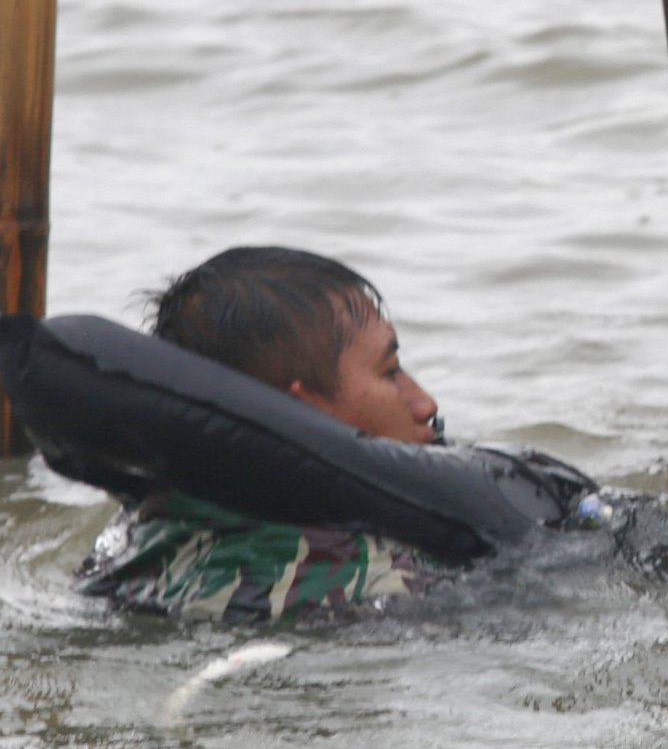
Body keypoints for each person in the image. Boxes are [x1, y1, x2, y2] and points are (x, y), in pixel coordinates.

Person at [77, 246, 462, 621]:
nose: (424, 404)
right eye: (389, 371)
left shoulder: (132, 545)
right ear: (298, 413)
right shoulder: (385, 582)